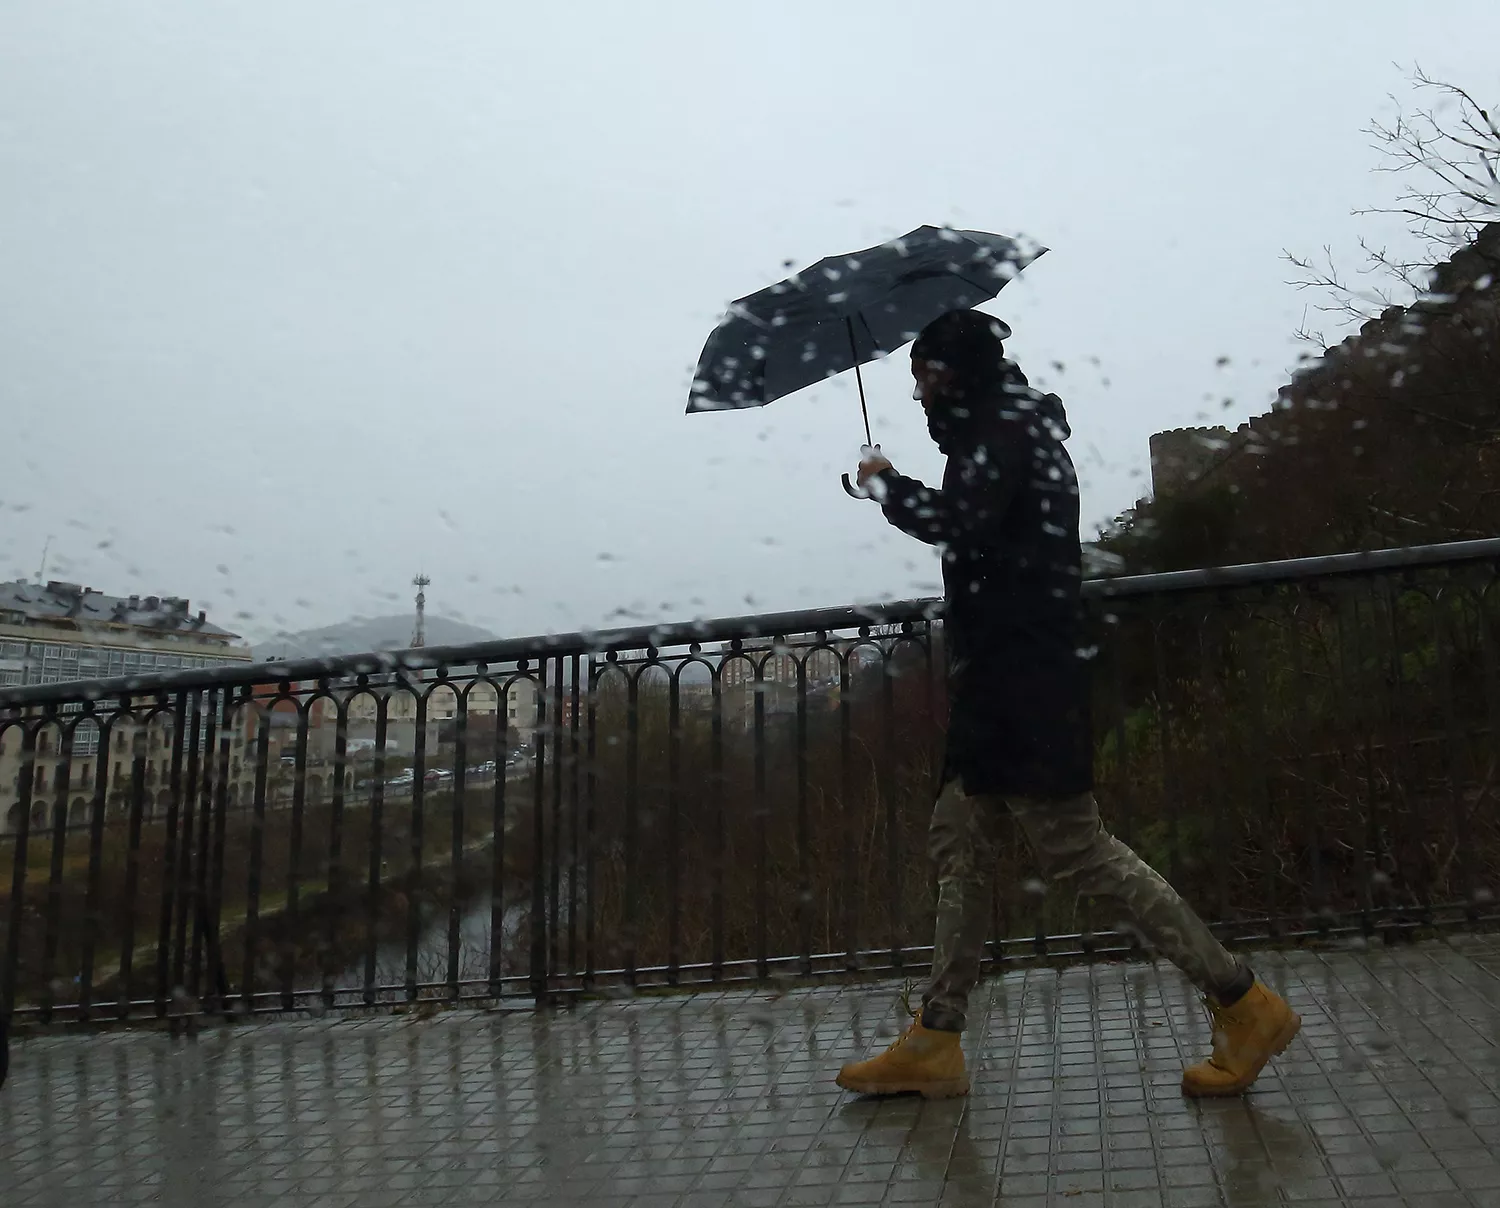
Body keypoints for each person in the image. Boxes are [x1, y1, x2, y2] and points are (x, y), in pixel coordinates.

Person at [834, 309, 1299, 1100]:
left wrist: (888, 487)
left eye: (924, 375)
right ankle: (935, 1037)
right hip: (1003, 677)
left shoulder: (1003, 437)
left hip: (1025, 679)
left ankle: (1242, 1000)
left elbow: (964, 525)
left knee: (1079, 853)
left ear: (955, 374)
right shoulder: (1005, 431)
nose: (915, 393)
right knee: (959, 844)